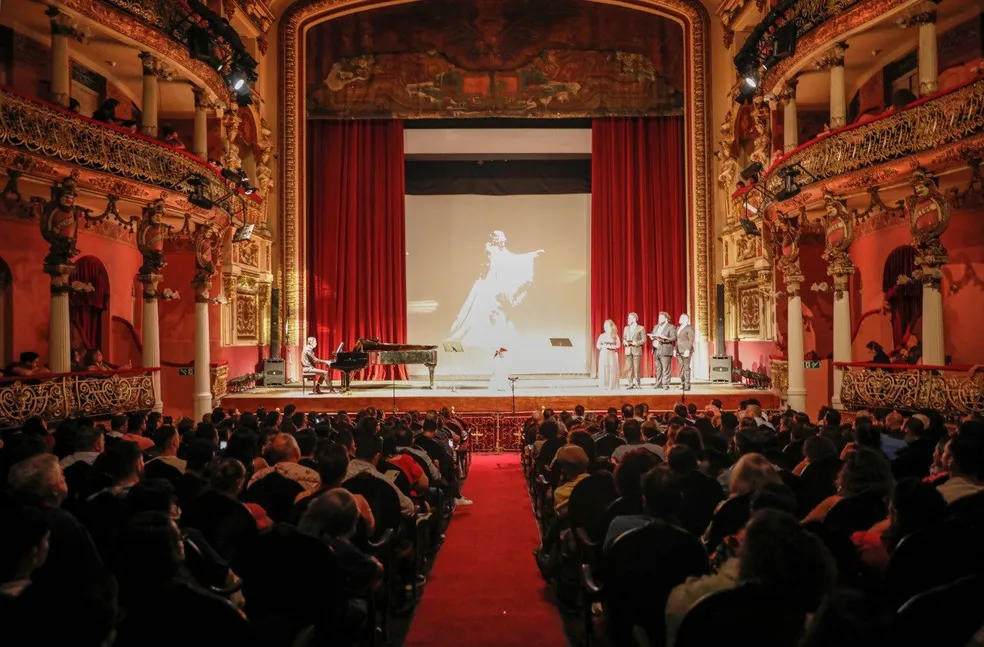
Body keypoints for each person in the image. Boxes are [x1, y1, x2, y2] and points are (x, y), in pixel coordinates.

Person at [447, 230, 544, 347]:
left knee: (499, 308)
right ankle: (481, 336)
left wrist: (533, 254)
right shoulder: (490, 250)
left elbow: (514, 258)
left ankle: (497, 337)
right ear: (497, 240)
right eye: (502, 239)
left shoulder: (502, 251)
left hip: (497, 282)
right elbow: (493, 262)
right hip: (489, 282)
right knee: (484, 307)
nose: (505, 241)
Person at [649, 311, 677, 389]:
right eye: (659, 317)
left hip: (665, 350)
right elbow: (654, 334)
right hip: (656, 350)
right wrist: (652, 337)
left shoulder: (671, 327)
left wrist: (664, 339)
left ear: (666, 318)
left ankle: (666, 385)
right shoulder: (656, 326)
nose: (659, 319)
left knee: (666, 369)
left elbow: (674, 337)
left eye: (661, 318)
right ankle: (658, 384)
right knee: (658, 369)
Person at [596, 319, 621, 391]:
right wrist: (600, 346)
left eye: (607, 325)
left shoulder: (615, 336)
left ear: (611, 326)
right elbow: (598, 345)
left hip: (612, 354)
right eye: (604, 326)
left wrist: (612, 347)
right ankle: (604, 385)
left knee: (612, 369)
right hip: (604, 353)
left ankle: (612, 386)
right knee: (604, 369)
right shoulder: (602, 335)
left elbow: (618, 345)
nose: (605, 327)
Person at [622, 312, 646, 389]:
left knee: (637, 368)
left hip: (636, 350)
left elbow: (644, 340)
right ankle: (630, 383)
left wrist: (637, 343)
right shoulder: (626, 328)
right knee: (629, 367)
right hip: (628, 350)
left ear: (634, 319)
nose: (628, 319)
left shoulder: (641, 328)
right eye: (628, 318)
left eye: (629, 318)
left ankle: (637, 383)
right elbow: (623, 338)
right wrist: (624, 342)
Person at [676, 313, 695, 391]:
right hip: (678, 350)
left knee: (686, 368)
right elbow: (677, 340)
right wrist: (675, 349)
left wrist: (688, 350)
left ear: (686, 319)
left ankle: (687, 385)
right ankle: (682, 384)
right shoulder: (678, 328)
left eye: (681, 317)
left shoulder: (689, 328)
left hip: (685, 350)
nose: (679, 318)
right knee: (681, 368)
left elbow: (691, 340)